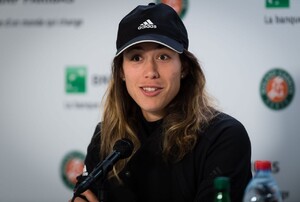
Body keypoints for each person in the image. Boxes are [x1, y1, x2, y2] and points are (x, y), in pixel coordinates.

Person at [70, 3, 252, 202]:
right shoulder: (105, 138)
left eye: (163, 56)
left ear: (184, 67)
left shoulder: (223, 137)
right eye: (136, 57)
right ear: (121, 71)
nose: (150, 72)